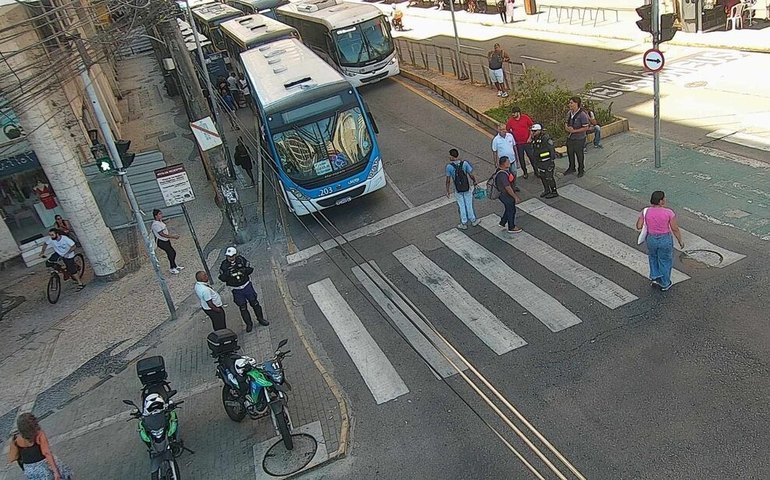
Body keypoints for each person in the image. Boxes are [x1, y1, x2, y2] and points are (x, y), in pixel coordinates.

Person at [636, 191, 684, 292]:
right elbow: (675, 228)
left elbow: (639, 226)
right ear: (661, 201)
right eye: (664, 198)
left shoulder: (645, 211)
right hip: (664, 239)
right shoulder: (669, 212)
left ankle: (655, 278)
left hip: (651, 239)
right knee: (665, 260)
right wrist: (680, 241)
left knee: (653, 257)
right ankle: (665, 283)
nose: (665, 199)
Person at [8, 413, 73, 479]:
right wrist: (55, 471)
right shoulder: (39, 434)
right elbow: (47, 453)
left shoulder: (16, 439)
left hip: (29, 469)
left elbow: (12, 458)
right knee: (62, 473)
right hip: (44, 467)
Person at [218, 247, 269, 333]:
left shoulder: (241, 260)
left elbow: (250, 269)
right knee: (242, 307)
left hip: (246, 286)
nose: (231, 258)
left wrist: (243, 270)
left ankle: (260, 319)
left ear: (235, 255)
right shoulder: (224, 265)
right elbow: (221, 277)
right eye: (229, 256)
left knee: (255, 303)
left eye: (232, 256)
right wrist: (228, 274)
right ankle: (249, 324)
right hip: (236, 289)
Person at [445, 148, 479, 230]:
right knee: (469, 204)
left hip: (458, 189)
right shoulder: (465, 163)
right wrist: (474, 182)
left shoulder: (449, 167)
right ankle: (473, 220)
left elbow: (448, 180)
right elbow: (471, 174)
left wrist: (447, 190)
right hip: (466, 187)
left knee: (461, 206)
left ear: (452, 156)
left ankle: (464, 222)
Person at [494, 156, 522, 233]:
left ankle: (503, 222)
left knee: (508, 208)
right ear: (503, 164)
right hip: (505, 195)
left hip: (504, 194)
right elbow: (507, 187)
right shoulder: (502, 174)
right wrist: (515, 197)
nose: (509, 163)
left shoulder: (502, 171)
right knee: (511, 210)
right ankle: (511, 227)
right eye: (508, 162)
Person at [506, 106, 536, 179]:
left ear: (518, 113)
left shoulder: (525, 118)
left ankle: (536, 170)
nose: (513, 115)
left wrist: (530, 137)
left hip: (527, 142)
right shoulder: (510, 121)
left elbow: (532, 127)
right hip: (518, 144)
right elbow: (508, 130)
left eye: (514, 113)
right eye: (512, 113)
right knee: (521, 158)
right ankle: (525, 172)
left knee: (531, 156)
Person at [564, 96, 591, 177]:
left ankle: (581, 169)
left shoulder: (582, 115)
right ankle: (571, 167)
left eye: (571, 103)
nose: (570, 104)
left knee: (579, 154)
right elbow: (566, 122)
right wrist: (567, 128)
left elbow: (586, 127)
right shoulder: (569, 113)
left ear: (577, 104)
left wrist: (574, 131)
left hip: (579, 138)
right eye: (569, 103)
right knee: (570, 152)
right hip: (570, 137)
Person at [151, 209, 183, 274]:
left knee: (172, 252)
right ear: (156, 216)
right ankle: (172, 268)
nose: (161, 215)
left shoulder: (160, 222)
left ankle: (175, 266)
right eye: (159, 214)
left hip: (165, 240)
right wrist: (173, 236)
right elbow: (161, 234)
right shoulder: (155, 224)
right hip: (161, 241)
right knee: (171, 253)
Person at [530, 124, 558, 198]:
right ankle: (547, 190)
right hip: (540, 162)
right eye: (532, 131)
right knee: (542, 177)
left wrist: (552, 161)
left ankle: (554, 191)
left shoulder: (546, 138)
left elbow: (551, 150)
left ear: (539, 131)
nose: (533, 132)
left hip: (547, 161)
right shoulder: (534, 138)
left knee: (549, 177)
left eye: (535, 131)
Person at [491, 124, 519, 192]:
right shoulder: (496, 140)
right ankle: (509, 188)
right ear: (498, 130)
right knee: (506, 176)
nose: (504, 131)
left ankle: (514, 186)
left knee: (514, 173)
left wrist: (517, 158)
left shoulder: (510, 136)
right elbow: (494, 152)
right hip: (504, 163)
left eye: (505, 129)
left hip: (512, 160)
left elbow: (514, 147)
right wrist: (495, 163)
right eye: (502, 130)